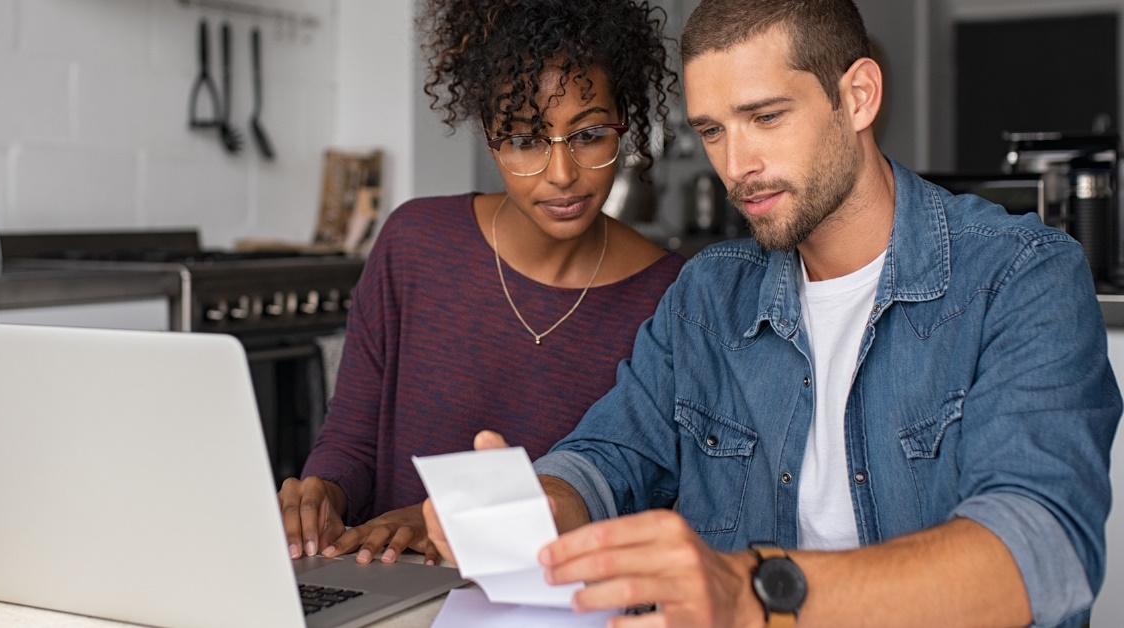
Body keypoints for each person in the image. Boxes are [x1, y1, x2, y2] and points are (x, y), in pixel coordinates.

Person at [424, 0, 1123, 626]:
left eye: (765, 117)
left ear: (857, 96)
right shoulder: (708, 297)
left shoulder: (1022, 274)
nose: (738, 164)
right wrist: (535, 505)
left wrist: (755, 593)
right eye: (713, 130)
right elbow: (611, 457)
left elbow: (1042, 551)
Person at [277, 0, 684, 567]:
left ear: (627, 121)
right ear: (490, 139)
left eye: (588, 134)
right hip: (394, 589)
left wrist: (442, 522)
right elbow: (353, 443)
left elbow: (641, 497)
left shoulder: (672, 299)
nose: (562, 174)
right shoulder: (413, 244)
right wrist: (324, 492)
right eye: (525, 141)